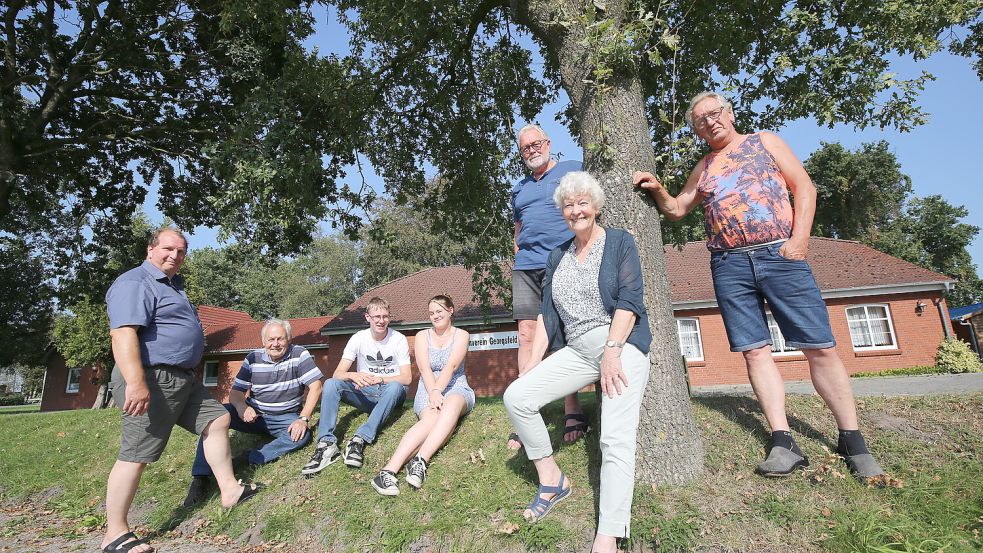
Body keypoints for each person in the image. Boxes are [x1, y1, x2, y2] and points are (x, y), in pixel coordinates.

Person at [633, 91, 884, 480]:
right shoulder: (705, 166)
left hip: (780, 256)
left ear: (729, 113)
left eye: (714, 114)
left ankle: (853, 440)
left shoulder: (764, 142)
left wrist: (799, 241)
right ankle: (783, 441)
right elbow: (678, 208)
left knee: (819, 346)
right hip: (728, 264)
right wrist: (656, 188)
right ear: (697, 131)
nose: (710, 122)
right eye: (700, 121)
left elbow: (805, 188)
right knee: (754, 352)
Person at [504, 171, 652, 553]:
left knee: (614, 439)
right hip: (576, 350)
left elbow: (630, 301)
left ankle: (609, 534)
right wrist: (531, 365)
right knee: (516, 397)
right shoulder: (558, 257)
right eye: (568, 205)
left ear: (596, 206)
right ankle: (553, 480)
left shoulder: (619, 242)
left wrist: (613, 351)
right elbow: (545, 314)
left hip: (620, 343)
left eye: (582, 203)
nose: (576, 210)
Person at [101, 227, 259, 553]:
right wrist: (135, 383)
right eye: (168, 248)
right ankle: (114, 534)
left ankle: (229, 489)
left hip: (182, 378)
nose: (174, 255)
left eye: (181, 251)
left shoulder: (174, 286)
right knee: (136, 455)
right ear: (151, 249)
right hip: (152, 378)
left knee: (217, 420)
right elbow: (123, 334)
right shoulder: (135, 283)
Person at [183, 318, 324, 506]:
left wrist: (303, 419)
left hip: (285, 417)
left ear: (289, 339)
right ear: (263, 341)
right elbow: (235, 393)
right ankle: (200, 477)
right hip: (253, 415)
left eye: (280, 339)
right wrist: (242, 408)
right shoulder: (253, 358)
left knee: (302, 436)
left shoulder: (300, 354)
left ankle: (249, 458)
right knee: (212, 417)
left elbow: (316, 387)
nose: (275, 344)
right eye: (271, 339)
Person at [510, 123, 589, 449]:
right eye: (525, 147)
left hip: (563, 263)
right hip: (526, 268)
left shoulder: (574, 169)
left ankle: (572, 407)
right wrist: (520, 254)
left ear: (548, 143)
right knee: (527, 334)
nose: (531, 150)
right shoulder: (519, 189)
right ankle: (526, 410)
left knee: (561, 334)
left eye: (536, 143)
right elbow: (517, 229)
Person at [370, 295, 475, 496]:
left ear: (450, 311)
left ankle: (420, 461)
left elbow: (452, 366)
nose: (435, 316)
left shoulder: (461, 335)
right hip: (427, 387)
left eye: (439, 311)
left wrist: (439, 391)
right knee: (432, 419)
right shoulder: (421, 336)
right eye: (432, 313)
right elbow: (425, 368)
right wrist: (433, 392)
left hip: (456, 386)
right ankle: (387, 472)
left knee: (451, 405)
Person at [301, 297, 411, 475]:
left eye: (385, 316)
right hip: (365, 393)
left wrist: (381, 380)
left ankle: (359, 439)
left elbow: (406, 378)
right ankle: (326, 444)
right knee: (330, 384)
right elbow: (338, 374)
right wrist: (353, 375)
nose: (381, 321)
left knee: (396, 387)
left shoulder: (398, 339)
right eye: (377, 316)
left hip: (391, 392)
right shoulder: (358, 338)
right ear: (368, 317)